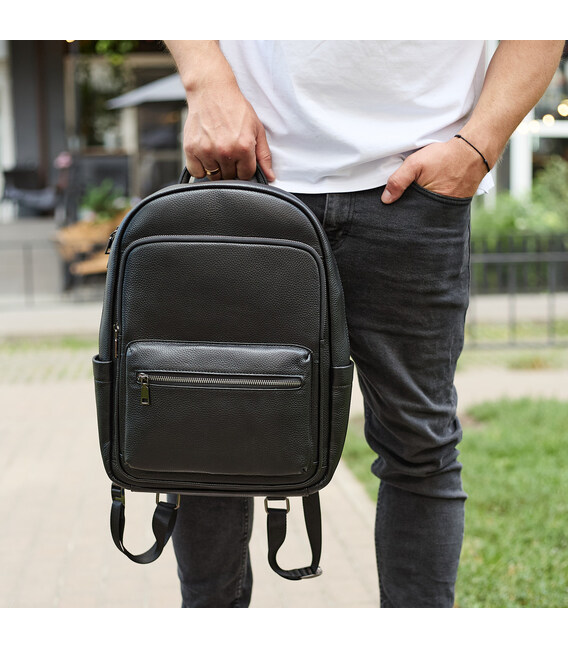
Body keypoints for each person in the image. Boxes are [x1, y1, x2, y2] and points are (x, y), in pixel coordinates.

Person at [163, 39, 565, 608]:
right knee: (208, 436)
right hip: (243, 165)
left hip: (415, 186)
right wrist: (207, 82)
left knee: (418, 447)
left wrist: (477, 147)